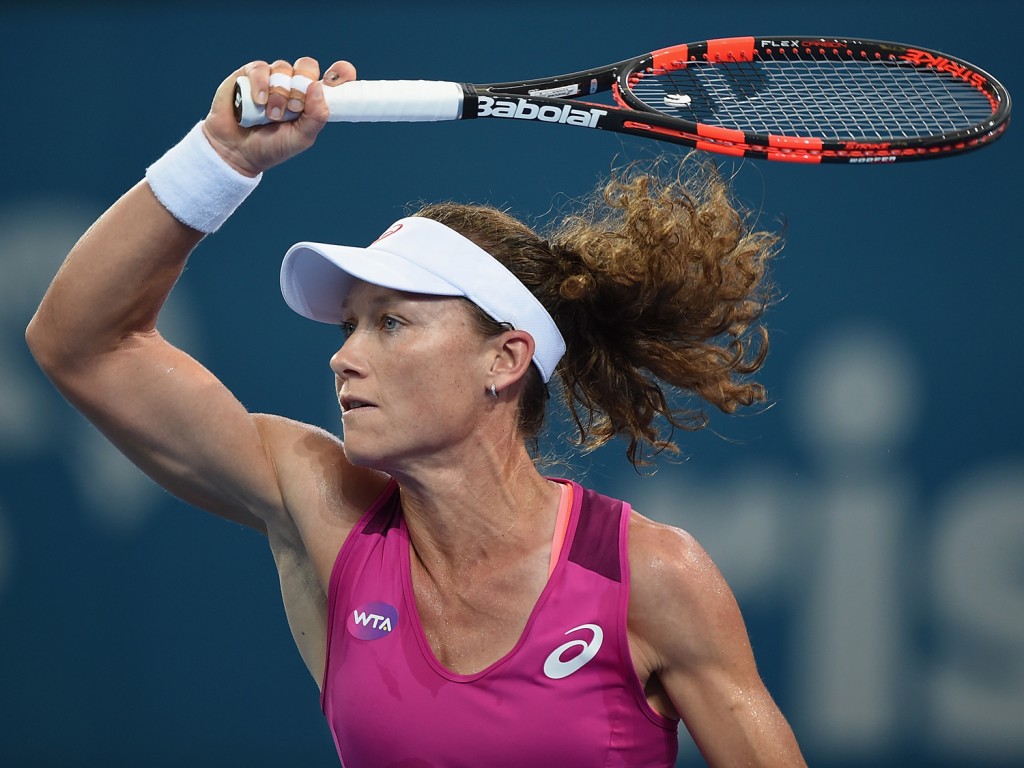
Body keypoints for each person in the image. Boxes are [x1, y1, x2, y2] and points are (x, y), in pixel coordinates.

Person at [26, 56, 806, 767]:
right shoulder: (323, 513)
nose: (344, 356)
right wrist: (221, 157)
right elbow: (82, 343)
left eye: (390, 323)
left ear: (503, 359)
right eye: (348, 326)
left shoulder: (650, 578)